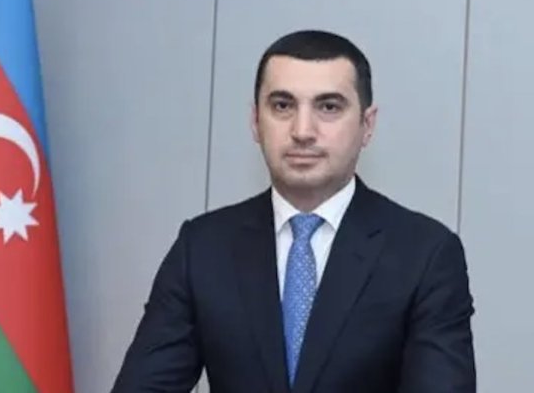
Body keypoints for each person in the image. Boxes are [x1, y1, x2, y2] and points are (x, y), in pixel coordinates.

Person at [111, 30, 476, 392]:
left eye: (328, 107)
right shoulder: (203, 248)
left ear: (367, 125)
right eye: (283, 106)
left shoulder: (424, 254)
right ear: (256, 122)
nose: (302, 131)